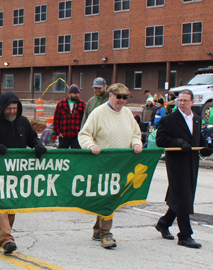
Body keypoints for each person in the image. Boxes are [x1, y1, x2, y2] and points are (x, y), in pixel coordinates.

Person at [0, 91, 47, 254]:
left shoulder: (23, 121)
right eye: (9, 109)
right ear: (2, 108)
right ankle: (7, 239)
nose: (12, 112)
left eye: (15, 108)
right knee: (1, 203)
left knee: (12, 206)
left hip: (17, 172)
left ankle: (0, 236)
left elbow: (32, 138)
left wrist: (38, 145)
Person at [78, 83, 143, 249]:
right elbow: (84, 134)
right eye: (119, 97)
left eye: (125, 98)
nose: (122, 101)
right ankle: (106, 234)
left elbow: (136, 133)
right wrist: (90, 146)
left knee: (110, 197)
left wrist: (136, 142)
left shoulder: (128, 114)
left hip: (123, 165)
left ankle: (98, 229)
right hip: (104, 164)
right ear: (111, 96)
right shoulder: (98, 113)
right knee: (109, 197)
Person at [155, 90, 213, 249]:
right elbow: (161, 140)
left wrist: (206, 149)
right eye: (180, 100)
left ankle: (164, 223)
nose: (182, 103)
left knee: (181, 195)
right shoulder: (169, 120)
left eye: (185, 100)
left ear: (192, 102)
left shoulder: (197, 120)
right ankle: (185, 235)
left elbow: (198, 140)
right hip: (176, 164)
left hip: (192, 164)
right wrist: (179, 142)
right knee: (184, 196)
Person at [53, 84, 86, 149]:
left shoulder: (82, 104)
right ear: (70, 93)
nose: (77, 95)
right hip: (64, 136)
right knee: (62, 156)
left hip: (77, 136)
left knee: (77, 155)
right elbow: (56, 119)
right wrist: (58, 132)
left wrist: (82, 132)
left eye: (78, 93)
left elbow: (85, 119)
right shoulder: (61, 104)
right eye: (75, 93)